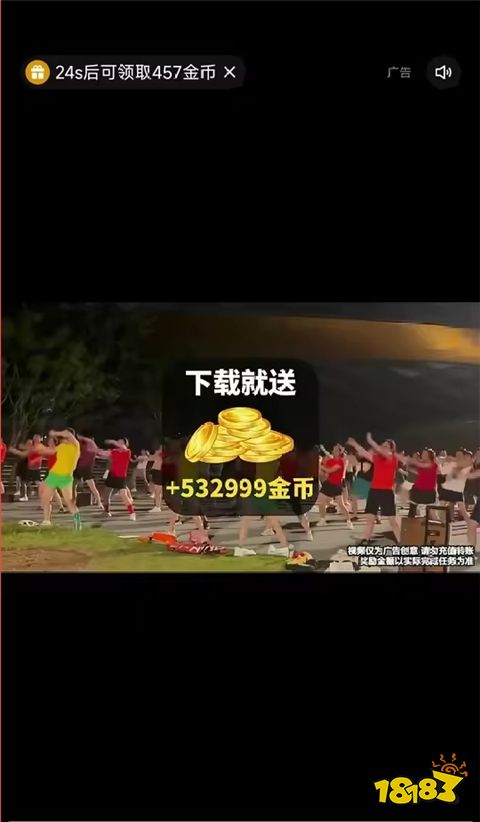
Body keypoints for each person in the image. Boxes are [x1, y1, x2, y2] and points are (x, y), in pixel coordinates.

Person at [347, 433, 408, 543]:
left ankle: (402, 543)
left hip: (386, 492)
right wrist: (355, 444)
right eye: (383, 445)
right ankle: (366, 539)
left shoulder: (393, 458)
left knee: (392, 521)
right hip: (374, 490)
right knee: (370, 518)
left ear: (391, 449)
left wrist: (371, 441)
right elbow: (364, 453)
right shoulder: (377, 459)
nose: (383, 448)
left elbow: (381, 451)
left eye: (386, 446)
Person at [31, 428, 82, 528]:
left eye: (63, 437)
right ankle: (46, 521)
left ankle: (78, 523)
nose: (61, 439)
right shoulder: (61, 446)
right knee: (45, 499)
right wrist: (40, 448)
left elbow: (67, 433)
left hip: (65, 478)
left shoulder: (75, 446)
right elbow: (50, 451)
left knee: (69, 503)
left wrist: (54, 433)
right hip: (53, 475)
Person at [316, 444, 353, 529]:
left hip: (336, 485)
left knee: (341, 505)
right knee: (321, 502)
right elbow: (325, 473)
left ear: (339, 452)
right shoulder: (330, 461)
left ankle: (349, 521)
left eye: (336, 450)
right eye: (333, 449)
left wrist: (319, 464)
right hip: (328, 483)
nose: (333, 451)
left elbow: (330, 470)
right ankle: (322, 520)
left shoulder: (341, 462)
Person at [98, 438, 136, 520]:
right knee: (106, 494)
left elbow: (123, 448)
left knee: (123, 495)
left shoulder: (127, 452)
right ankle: (107, 512)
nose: (118, 443)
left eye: (121, 442)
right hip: (112, 475)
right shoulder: (114, 451)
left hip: (120, 477)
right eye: (118, 442)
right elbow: (105, 454)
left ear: (125, 444)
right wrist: (97, 451)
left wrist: (113, 442)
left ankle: (132, 513)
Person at [438, 450, 477, 525]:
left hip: (457, 490)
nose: (458, 456)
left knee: (462, 510)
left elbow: (458, 474)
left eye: (460, 455)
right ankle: (446, 523)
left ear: (463, 456)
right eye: (457, 454)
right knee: (442, 508)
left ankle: (471, 523)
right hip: (446, 488)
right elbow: (442, 472)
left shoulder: (467, 465)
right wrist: (444, 463)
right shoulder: (451, 463)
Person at [73, 435, 104, 509]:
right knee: (74, 486)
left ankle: (99, 502)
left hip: (84, 469)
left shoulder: (87, 448)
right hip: (81, 469)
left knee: (92, 487)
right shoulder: (88, 448)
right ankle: (74, 502)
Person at [406, 448, 439, 517]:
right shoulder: (423, 464)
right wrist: (410, 468)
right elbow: (420, 473)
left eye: (425, 454)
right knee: (412, 507)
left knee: (431, 512)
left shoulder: (433, 464)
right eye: (423, 453)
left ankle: (436, 521)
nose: (422, 455)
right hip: (419, 490)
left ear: (429, 455)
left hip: (427, 491)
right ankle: (411, 520)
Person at [10, 434, 43, 501]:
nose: (35, 439)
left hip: (35, 468)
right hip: (31, 467)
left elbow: (24, 454)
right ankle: (25, 495)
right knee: (24, 481)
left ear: (40, 439)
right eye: (34, 438)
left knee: (38, 483)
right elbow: (25, 449)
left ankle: (45, 495)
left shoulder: (38, 447)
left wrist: (13, 450)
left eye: (37, 438)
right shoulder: (34, 446)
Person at [149, 445, 164, 513]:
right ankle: (157, 506)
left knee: (158, 490)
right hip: (157, 471)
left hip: (159, 471)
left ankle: (157, 506)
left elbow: (152, 457)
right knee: (157, 490)